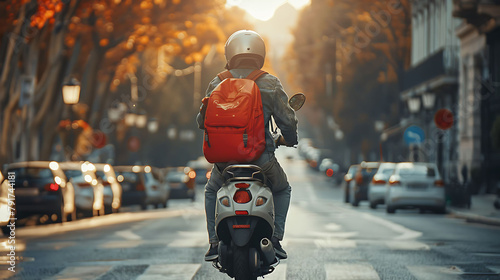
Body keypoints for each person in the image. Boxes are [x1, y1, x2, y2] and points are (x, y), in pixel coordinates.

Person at [196, 30, 298, 261]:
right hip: (261, 159)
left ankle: (213, 243)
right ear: (260, 53)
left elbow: (202, 122)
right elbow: (287, 119)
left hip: (224, 163)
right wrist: (290, 139)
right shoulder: (269, 82)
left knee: (212, 189)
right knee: (283, 189)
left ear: (230, 53)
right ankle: (275, 240)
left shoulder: (216, 82)